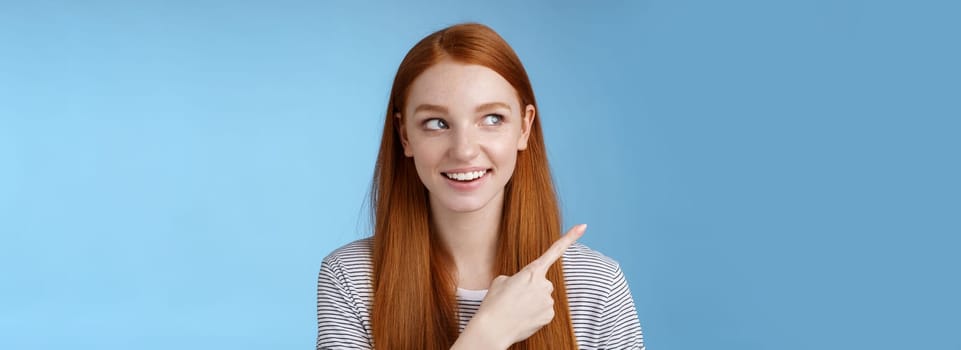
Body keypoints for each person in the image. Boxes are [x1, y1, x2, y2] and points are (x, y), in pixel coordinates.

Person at [317, 23, 645, 349]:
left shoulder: (596, 285)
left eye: (491, 119)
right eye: (436, 123)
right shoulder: (351, 279)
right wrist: (488, 334)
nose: (464, 150)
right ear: (405, 136)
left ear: (524, 127)